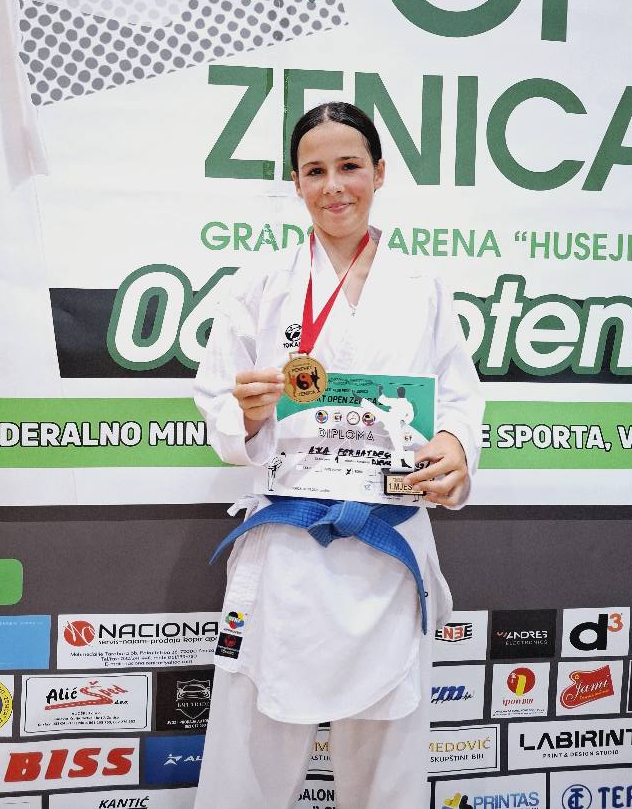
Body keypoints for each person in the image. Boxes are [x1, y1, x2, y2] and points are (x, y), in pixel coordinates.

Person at [192, 102, 484, 808]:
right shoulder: (259, 284)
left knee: (389, 758)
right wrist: (247, 412)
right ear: (297, 183)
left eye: (349, 166)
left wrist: (454, 449)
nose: (333, 186)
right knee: (248, 755)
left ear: (379, 173)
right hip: (288, 545)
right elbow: (216, 400)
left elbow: (458, 396)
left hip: (388, 540)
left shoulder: (422, 286)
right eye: (314, 170)